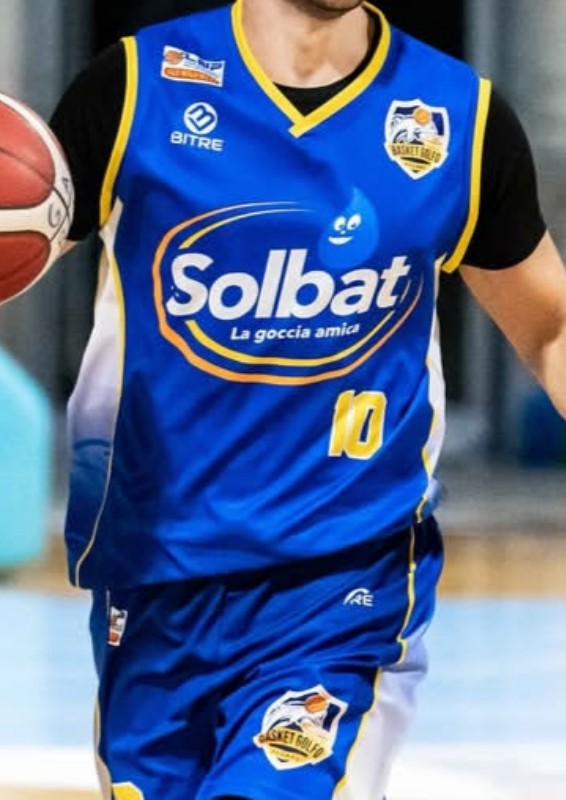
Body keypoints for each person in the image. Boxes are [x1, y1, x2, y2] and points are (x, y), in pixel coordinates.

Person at [46, 0, 566, 798]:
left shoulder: (458, 118)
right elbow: (26, 231)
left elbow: (550, 328)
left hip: (343, 585)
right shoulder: (134, 87)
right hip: (152, 580)